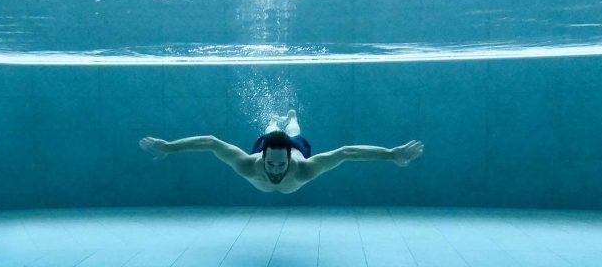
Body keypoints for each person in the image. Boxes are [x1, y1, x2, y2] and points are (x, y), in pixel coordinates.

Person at [138, 110, 423, 194]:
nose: (275, 170)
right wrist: (169, 148)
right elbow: (211, 142)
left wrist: (390, 153)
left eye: (279, 165)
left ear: (288, 161)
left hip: (294, 146)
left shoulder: (306, 167)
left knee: (294, 133)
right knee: (269, 130)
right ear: (262, 157)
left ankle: (290, 115)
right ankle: (273, 122)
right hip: (268, 144)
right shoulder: (250, 163)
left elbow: (347, 152)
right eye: (271, 165)